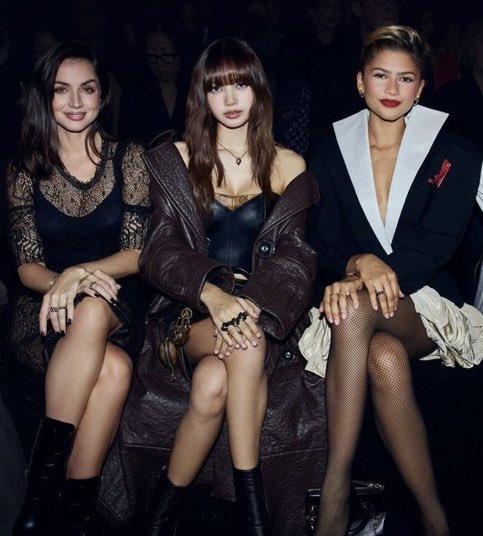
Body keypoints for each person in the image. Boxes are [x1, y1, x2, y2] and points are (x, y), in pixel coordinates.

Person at [301, 25, 483, 536]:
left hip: (425, 305)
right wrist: (360, 261)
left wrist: (375, 273)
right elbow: (320, 242)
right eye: (380, 75)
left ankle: (335, 486)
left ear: (421, 87)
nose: (392, 88)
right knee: (383, 359)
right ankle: (434, 516)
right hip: (360, 310)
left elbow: (439, 243)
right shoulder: (329, 152)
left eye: (405, 78)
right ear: (360, 81)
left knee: (354, 308)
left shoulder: (456, 152)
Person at [139, 37, 318, 535]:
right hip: (190, 313)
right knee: (246, 343)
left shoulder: (289, 165)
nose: (231, 98)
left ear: (259, 90)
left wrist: (249, 305)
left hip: (263, 312)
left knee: (213, 382)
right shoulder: (175, 158)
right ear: (202, 95)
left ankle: (159, 517)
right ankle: (254, 515)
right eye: (218, 87)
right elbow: (160, 250)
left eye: (241, 84)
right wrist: (215, 295)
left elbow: (296, 261)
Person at [5, 40, 151, 534]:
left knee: (90, 310)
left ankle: (35, 501)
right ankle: (74, 517)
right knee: (113, 371)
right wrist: (63, 282)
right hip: (44, 308)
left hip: (115, 301)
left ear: (101, 95)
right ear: (44, 97)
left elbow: (135, 254)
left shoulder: (128, 157)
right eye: (61, 90)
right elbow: (27, 267)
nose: (74, 102)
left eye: (86, 89)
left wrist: (79, 273)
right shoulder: (25, 168)